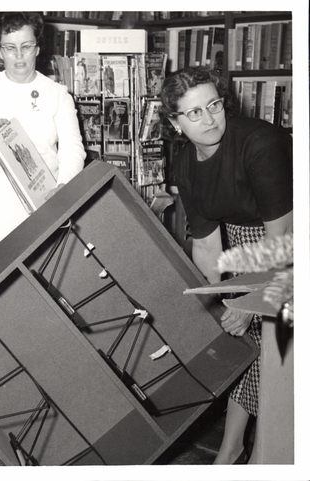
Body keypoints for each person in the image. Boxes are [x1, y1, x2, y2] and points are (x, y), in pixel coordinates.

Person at [159, 66, 293, 464]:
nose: (209, 119)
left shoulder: (259, 141)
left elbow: (281, 240)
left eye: (213, 105)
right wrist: (212, 306)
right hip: (247, 247)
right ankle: (231, 449)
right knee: (240, 344)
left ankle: (268, 457)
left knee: (277, 348)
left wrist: (246, 301)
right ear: (175, 122)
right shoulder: (184, 163)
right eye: (194, 113)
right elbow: (205, 245)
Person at [0, 11, 86, 247]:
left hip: (42, 208)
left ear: (37, 48)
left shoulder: (57, 94)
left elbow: (73, 151)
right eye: (10, 48)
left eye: (26, 46)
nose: (19, 56)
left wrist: (63, 187)